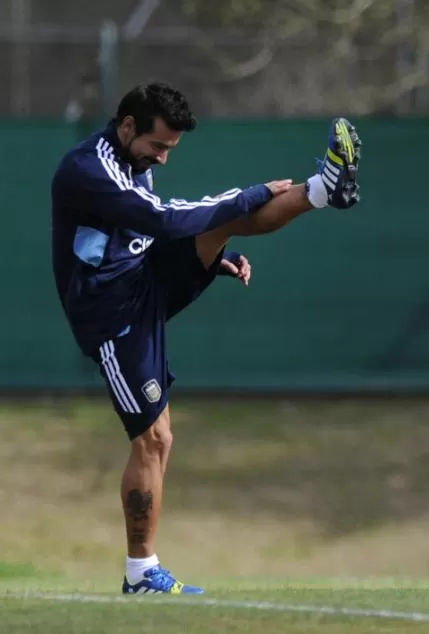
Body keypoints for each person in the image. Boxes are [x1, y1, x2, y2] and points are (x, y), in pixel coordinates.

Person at [50, 81, 361, 595]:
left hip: (143, 278)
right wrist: (250, 194)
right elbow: (161, 219)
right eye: (158, 147)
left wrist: (211, 260)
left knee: (221, 227)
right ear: (127, 127)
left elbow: (149, 235)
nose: (164, 159)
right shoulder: (87, 169)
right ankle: (141, 573)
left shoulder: (136, 163)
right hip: (110, 312)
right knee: (154, 439)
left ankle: (325, 188)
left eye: (171, 149)